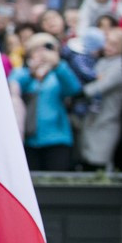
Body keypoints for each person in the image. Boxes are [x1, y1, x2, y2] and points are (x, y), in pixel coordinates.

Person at [9, 32, 82, 171]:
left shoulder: (59, 73)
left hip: (58, 138)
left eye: (47, 49)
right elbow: (13, 86)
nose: (42, 54)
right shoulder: (23, 74)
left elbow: (73, 89)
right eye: (37, 49)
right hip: (29, 138)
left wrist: (57, 65)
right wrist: (32, 71)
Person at [79, 27, 122, 170]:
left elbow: (100, 86)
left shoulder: (121, 65)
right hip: (91, 119)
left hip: (106, 122)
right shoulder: (101, 61)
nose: (108, 47)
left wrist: (79, 92)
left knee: (99, 164)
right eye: (107, 42)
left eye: (114, 44)